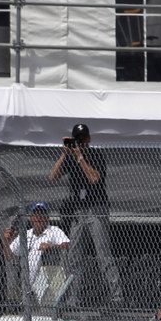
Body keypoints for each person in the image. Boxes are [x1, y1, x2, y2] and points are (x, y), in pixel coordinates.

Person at [48, 122, 123, 306]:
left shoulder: (95, 155)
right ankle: (74, 297)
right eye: (77, 140)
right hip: (78, 210)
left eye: (83, 140)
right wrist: (64, 154)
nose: (81, 143)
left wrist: (80, 157)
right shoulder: (70, 157)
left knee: (103, 253)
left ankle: (117, 296)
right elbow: (53, 177)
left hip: (96, 208)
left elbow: (94, 178)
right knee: (74, 255)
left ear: (88, 139)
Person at [4, 202, 70, 304]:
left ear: (47, 217)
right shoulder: (26, 234)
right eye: (36, 214)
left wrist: (52, 246)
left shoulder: (54, 231)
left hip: (47, 281)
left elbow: (67, 245)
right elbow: (9, 256)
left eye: (42, 214)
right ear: (31, 218)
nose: (39, 217)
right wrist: (6, 240)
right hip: (27, 284)